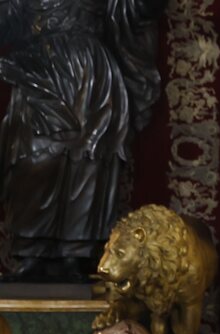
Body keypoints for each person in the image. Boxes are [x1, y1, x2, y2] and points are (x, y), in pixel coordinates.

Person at [0, 0, 166, 281]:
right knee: (35, 157)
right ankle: (29, 252)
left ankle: (74, 255)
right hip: (40, 69)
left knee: (88, 159)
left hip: (90, 74)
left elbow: (128, 12)